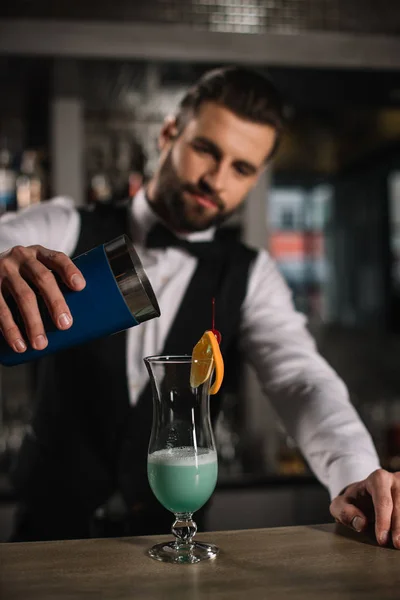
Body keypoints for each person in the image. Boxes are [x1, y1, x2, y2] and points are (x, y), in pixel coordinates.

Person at [0, 66, 398, 547]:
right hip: (45, 540)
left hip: (169, 548)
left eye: (242, 168)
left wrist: (356, 471)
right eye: (206, 150)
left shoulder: (250, 274)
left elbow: (300, 378)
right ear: (169, 133)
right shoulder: (65, 225)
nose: (216, 179)